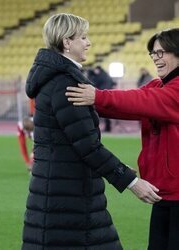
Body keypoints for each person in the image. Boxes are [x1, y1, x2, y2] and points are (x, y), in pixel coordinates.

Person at [22, 13, 161, 250]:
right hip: (69, 195)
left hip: (57, 190)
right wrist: (132, 182)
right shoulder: (67, 84)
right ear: (67, 42)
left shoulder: (54, 79)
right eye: (83, 37)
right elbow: (87, 146)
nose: (88, 42)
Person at [65, 27, 179, 250]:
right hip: (165, 192)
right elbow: (127, 108)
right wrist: (89, 100)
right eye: (153, 53)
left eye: (162, 52)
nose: (156, 58)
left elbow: (141, 100)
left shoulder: (171, 90)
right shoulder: (159, 85)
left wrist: (97, 96)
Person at [87, 65, 116, 132]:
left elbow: (93, 83)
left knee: (100, 112)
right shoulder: (106, 75)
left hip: (101, 96)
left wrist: (90, 75)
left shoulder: (100, 76)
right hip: (107, 95)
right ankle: (107, 127)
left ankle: (103, 128)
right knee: (106, 113)